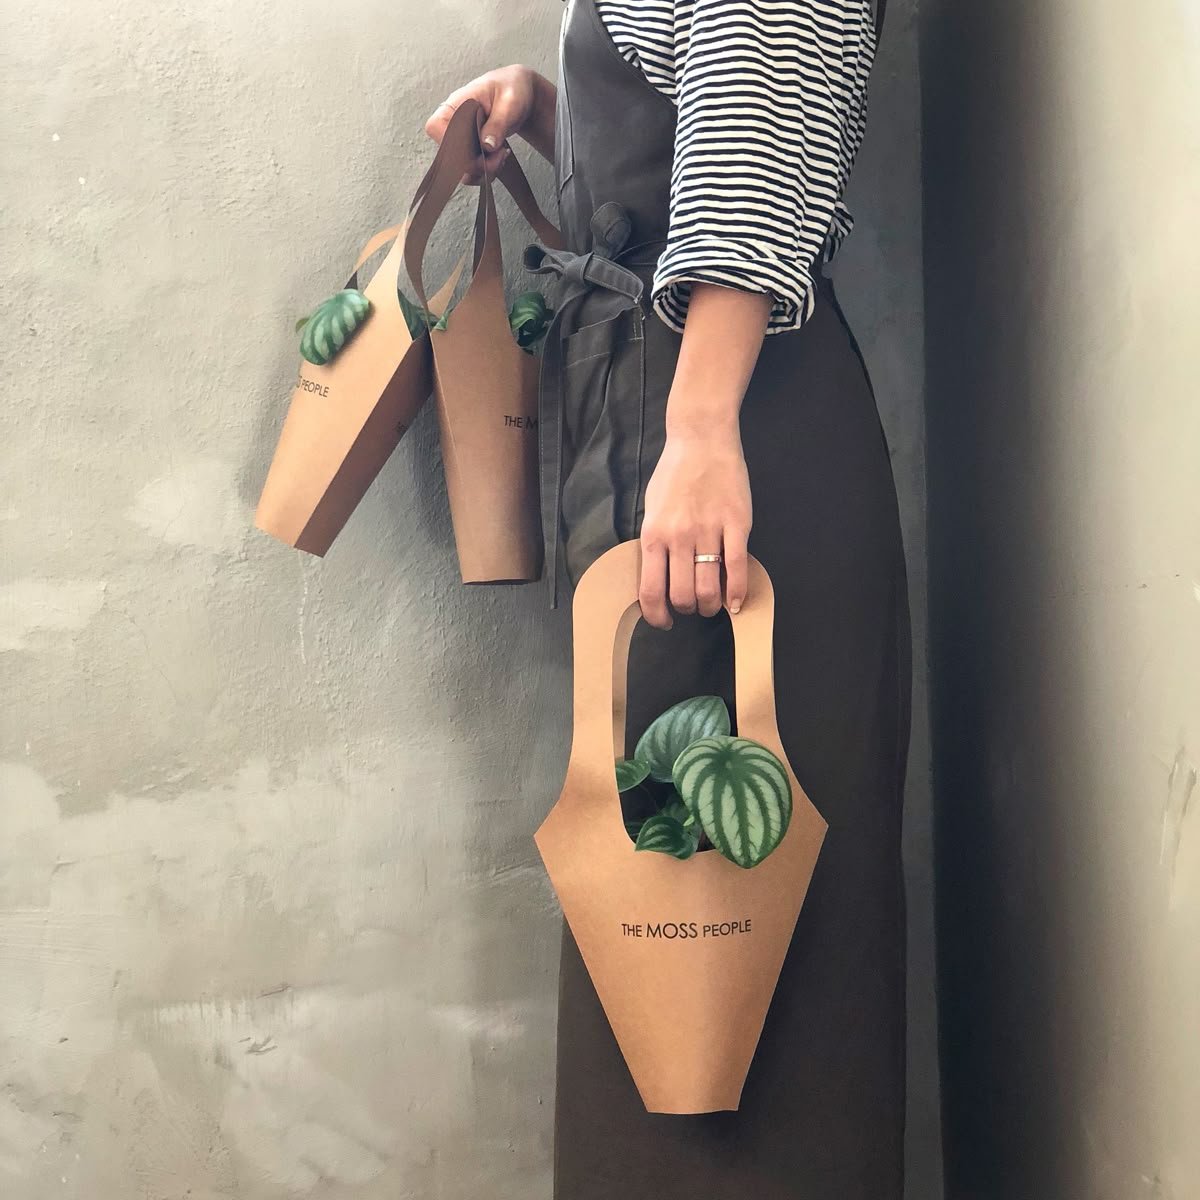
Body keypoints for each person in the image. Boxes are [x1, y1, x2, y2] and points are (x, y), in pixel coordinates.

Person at [427, 1, 909, 1196]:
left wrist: (696, 430)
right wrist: (552, 113)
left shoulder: (702, 431)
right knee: (655, 915)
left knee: (742, 926)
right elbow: (696, 105)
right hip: (680, 421)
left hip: (726, 439)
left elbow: (758, 116)